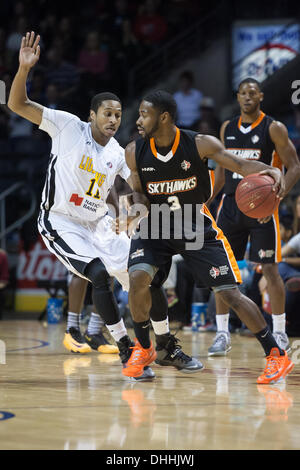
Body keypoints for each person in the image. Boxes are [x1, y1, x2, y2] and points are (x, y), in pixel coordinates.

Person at [117, 89, 294, 384]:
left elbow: (238, 165)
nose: (138, 120)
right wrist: (134, 207)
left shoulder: (199, 143)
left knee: (228, 293)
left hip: (193, 224)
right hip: (156, 224)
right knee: (137, 277)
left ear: (163, 117)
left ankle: (276, 354)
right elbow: (136, 188)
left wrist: (269, 171)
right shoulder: (134, 150)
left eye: (144, 114)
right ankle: (144, 347)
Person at [7, 31, 154, 380]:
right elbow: (17, 105)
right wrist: (24, 70)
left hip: (98, 223)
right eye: (107, 113)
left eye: (118, 114)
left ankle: (159, 343)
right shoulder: (67, 126)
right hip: (60, 221)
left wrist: (136, 209)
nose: (114, 119)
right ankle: (124, 349)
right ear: (91, 115)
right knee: (98, 275)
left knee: (142, 273)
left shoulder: (119, 152)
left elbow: (132, 189)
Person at [206, 78, 300, 356]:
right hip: (231, 206)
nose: (247, 97)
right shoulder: (227, 127)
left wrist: (277, 197)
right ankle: (222, 333)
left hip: (262, 208)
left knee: (270, 269)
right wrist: (207, 200)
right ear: (237, 97)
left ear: (260, 95)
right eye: (242, 93)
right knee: (223, 270)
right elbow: (221, 172)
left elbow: (294, 166)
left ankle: (280, 333)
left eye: (252, 93)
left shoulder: (274, 128)